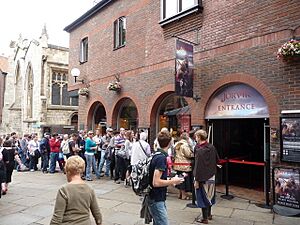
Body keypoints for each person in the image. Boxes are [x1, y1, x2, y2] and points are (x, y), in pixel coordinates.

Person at [50, 156, 102, 225]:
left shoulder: (64, 190)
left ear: (68, 171)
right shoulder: (89, 189)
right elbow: (97, 213)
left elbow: (57, 218)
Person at [148, 131, 184, 225]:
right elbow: (156, 182)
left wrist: (169, 181)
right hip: (156, 198)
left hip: (156, 197)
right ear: (170, 142)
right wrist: (172, 180)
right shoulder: (161, 158)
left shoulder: (156, 154)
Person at [193, 129, 219, 224]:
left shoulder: (199, 151)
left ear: (199, 137)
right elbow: (217, 160)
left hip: (202, 178)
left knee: (202, 197)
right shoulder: (212, 147)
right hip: (211, 176)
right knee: (210, 195)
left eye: (196, 136)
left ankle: (204, 218)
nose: (195, 138)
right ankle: (209, 214)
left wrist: (196, 180)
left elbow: (198, 167)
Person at [173, 132, 193, 200]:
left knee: (179, 179)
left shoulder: (177, 144)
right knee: (184, 181)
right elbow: (188, 154)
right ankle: (184, 195)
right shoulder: (185, 145)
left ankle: (180, 194)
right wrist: (193, 154)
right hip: (184, 165)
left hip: (178, 164)